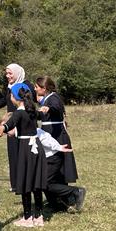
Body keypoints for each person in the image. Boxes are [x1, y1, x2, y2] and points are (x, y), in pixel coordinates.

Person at [0, 82, 47, 227]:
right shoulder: (31, 110)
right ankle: (39, 216)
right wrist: (43, 110)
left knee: (25, 181)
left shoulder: (19, 113)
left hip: (25, 148)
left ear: (14, 97)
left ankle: (27, 217)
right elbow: (41, 114)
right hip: (37, 146)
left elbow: (8, 125)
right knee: (36, 181)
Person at [34, 76, 85, 213]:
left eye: (36, 87)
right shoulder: (46, 98)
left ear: (44, 88)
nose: (35, 89)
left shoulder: (53, 98)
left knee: (58, 171)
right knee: (54, 173)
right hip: (50, 134)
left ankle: (70, 197)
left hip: (57, 137)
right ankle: (57, 202)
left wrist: (48, 108)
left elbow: (56, 108)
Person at [0, 63, 30, 191]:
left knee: (23, 154)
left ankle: (25, 183)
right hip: (11, 123)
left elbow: (30, 103)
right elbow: (5, 100)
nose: (7, 76)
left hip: (23, 124)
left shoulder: (26, 86)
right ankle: (15, 184)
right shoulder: (10, 87)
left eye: (10, 73)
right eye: (6, 73)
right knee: (13, 153)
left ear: (17, 73)